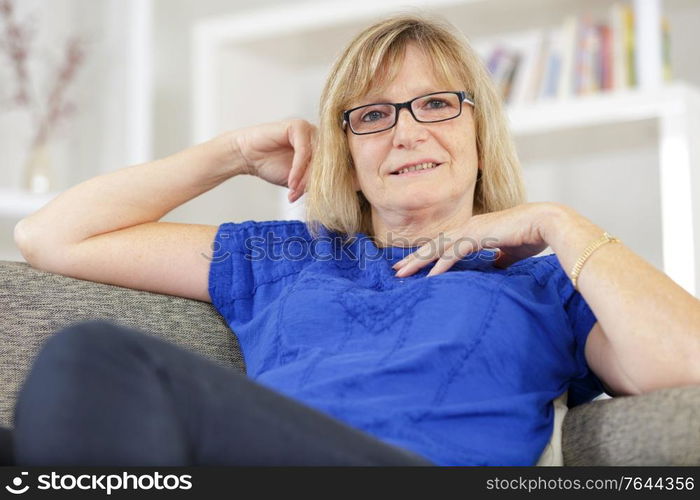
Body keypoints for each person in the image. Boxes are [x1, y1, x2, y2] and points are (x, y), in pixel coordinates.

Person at [8, 14, 700, 467]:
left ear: (480, 136)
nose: (406, 131)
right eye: (373, 115)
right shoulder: (287, 256)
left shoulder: (545, 283)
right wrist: (232, 154)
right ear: (348, 154)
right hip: (262, 462)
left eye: (436, 104)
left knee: (95, 354)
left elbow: (684, 367)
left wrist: (560, 223)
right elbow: (51, 236)